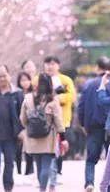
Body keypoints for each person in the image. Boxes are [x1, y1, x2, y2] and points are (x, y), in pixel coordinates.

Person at [20, 73, 68, 192]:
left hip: (32, 138)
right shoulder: (53, 99)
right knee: (46, 166)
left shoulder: (28, 98)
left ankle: (41, 188)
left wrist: (30, 127)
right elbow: (58, 121)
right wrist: (63, 138)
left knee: (39, 166)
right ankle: (42, 189)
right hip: (48, 138)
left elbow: (22, 119)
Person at [77, 56, 110, 192]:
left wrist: (82, 124)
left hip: (93, 126)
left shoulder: (89, 84)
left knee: (91, 158)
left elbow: (81, 106)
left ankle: (89, 183)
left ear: (97, 68)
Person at [43, 56, 77, 190]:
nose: (50, 66)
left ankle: (57, 172)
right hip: (45, 121)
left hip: (62, 119)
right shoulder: (40, 79)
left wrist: (57, 98)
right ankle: (49, 175)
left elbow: (72, 96)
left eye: (53, 64)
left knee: (60, 148)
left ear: (58, 65)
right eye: (47, 63)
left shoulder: (65, 80)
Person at [16, 72, 35, 177]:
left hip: (31, 126)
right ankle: (18, 172)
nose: (25, 82)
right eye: (22, 80)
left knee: (29, 150)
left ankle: (28, 172)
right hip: (18, 126)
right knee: (18, 151)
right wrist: (19, 128)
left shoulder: (34, 94)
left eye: (27, 80)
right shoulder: (16, 94)